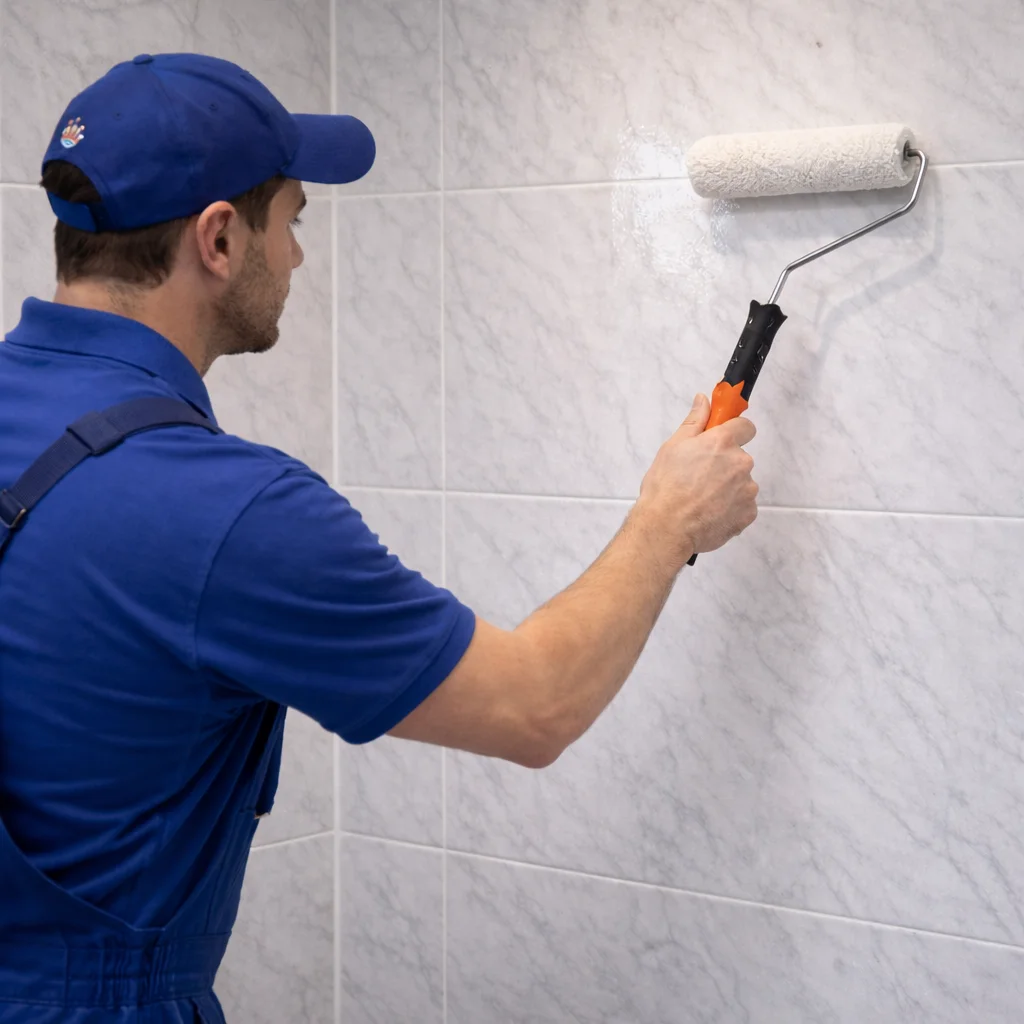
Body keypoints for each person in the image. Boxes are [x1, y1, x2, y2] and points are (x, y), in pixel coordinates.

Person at [0, 53, 758, 1024]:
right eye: (293, 221)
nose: (301, 258)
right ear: (220, 239)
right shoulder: (224, 510)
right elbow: (536, 704)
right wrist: (669, 517)